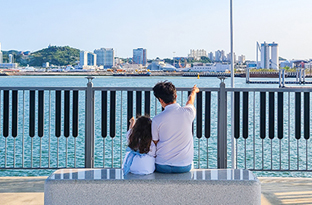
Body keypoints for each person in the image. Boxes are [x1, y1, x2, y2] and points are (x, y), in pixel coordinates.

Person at [152, 81, 199, 173]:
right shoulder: (189, 113)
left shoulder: (156, 119)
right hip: (184, 166)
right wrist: (194, 91)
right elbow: (190, 101)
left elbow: (155, 142)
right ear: (176, 96)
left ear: (161, 100)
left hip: (162, 165)